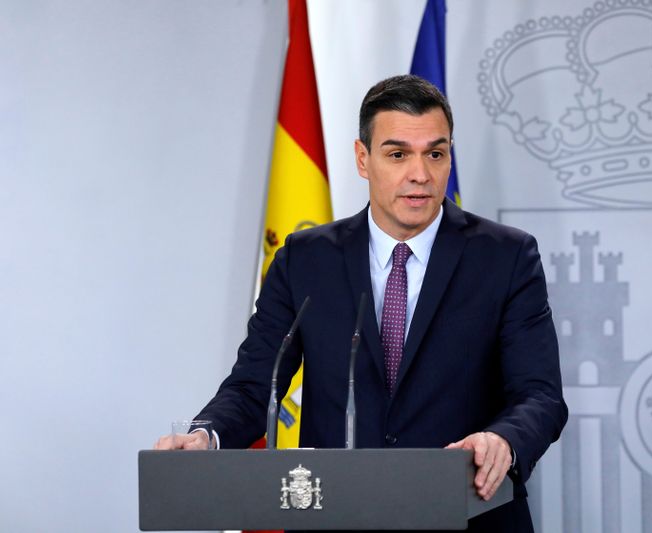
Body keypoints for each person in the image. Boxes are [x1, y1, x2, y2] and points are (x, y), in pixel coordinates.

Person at [155, 74, 567, 532]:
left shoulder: (505, 256)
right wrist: (206, 435)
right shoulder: (306, 259)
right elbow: (256, 386)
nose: (420, 174)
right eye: (397, 154)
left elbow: (540, 395)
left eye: (436, 153)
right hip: (338, 518)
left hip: (469, 514)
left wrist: (502, 440)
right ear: (362, 159)